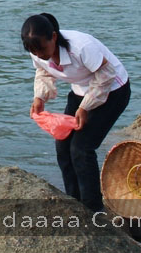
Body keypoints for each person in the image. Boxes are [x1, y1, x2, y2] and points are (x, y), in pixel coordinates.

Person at [23, 13, 130, 213]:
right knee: (63, 146)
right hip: (80, 92)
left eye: (42, 49)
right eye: (34, 52)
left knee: (81, 148)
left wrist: (85, 107)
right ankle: (74, 203)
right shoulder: (36, 50)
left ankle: (93, 210)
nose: (40, 55)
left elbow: (107, 75)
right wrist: (40, 98)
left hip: (113, 90)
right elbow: (43, 71)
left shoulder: (81, 47)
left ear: (54, 37)